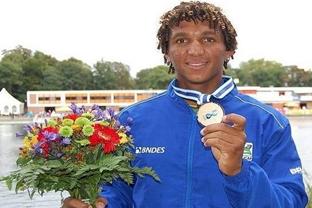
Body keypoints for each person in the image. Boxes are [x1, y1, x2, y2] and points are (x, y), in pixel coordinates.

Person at [65, 1, 308, 207]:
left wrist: (239, 172)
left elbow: (291, 200)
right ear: (167, 52)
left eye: (208, 39)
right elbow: (117, 192)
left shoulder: (269, 122)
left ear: (229, 50)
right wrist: (96, 203)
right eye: (181, 41)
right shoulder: (129, 121)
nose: (194, 50)